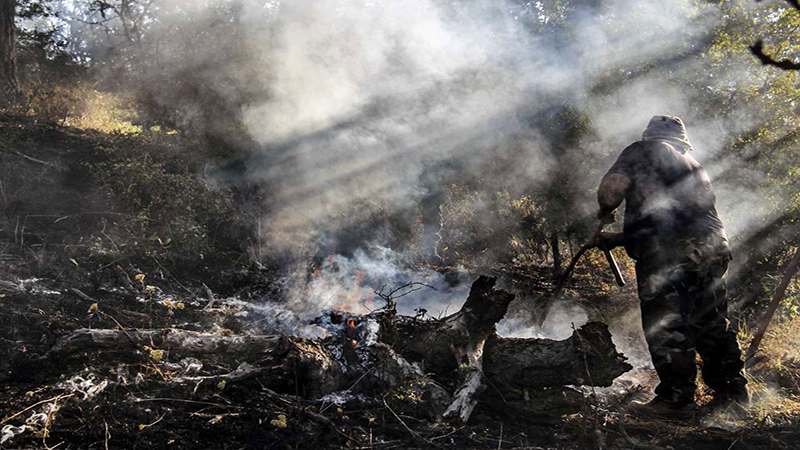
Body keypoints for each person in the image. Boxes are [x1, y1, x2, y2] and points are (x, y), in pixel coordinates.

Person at [595, 115, 748, 420]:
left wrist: (604, 210)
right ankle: (733, 395)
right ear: (682, 139)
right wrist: (616, 238)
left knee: (666, 323)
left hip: (668, 253)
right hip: (713, 247)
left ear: (649, 135)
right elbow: (676, 220)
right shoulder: (692, 164)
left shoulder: (642, 149)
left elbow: (612, 189)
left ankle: (676, 402)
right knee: (711, 322)